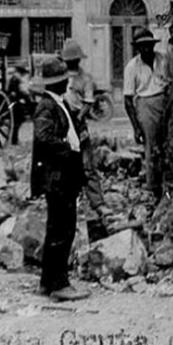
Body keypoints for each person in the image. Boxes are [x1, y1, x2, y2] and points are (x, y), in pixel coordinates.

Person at [31, 57, 91, 302]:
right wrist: (68, 148)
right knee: (63, 230)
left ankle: (48, 281)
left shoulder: (58, 103)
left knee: (56, 229)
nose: (67, 81)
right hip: (58, 177)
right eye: (63, 78)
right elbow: (44, 137)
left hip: (63, 175)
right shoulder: (47, 106)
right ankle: (59, 283)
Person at [62, 39, 112, 240]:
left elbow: (88, 102)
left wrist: (78, 117)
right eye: (69, 61)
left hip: (77, 122)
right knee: (65, 166)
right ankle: (69, 204)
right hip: (62, 123)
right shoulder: (61, 77)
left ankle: (98, 204)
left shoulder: (85, 79)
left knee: (87, 165)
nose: (72, 64)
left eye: (74, 61)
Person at [123, 29, 171, 200]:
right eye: (142, 47)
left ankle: (168, 181)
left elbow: (170, 81)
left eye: (149, 46)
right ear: (137, 48)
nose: (146, 50)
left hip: (164, 101)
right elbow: (128, 100)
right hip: (145, 104)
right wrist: (136, 127)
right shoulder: (132, 67)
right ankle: (153, 187)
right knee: (151, 146)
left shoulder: (163, 59)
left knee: (167, 143)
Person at [5, 61, 33, 146]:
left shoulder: (13, 78)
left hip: (12, 102)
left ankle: (13, 139)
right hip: (15, 103)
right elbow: (20, 91)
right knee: (17, 122)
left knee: (15, 123)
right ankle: (14, 140)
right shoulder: (16, 79)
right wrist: (28, 98)